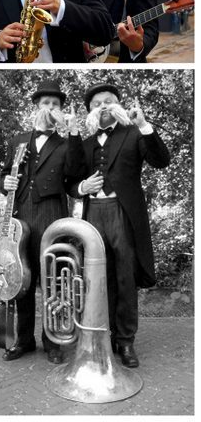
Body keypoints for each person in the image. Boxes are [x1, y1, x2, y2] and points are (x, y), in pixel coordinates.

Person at [69, 83, 170, 367]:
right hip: (94, 215)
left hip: (122, 214)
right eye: (97, 102)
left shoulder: (133, 133)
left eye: (109, 101)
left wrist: (143, 123)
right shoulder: (85, 143)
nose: (103, 105)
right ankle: (102, 336)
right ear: (90, 111)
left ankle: (125, 342)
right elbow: (71, 178)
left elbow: (162, 161)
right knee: (100, 280)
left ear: (118, 106)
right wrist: (82, 186)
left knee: (125, 278)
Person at [0, 80, 84, 364]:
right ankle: (23, 340)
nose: (50, 108)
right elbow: (0, 175)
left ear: (61, 110)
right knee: (21, 281)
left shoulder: (66, 143)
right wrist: (3, 182)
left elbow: (74, 173)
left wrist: (73, 134)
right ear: (36, 107)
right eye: (45, 103)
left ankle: (53, 341)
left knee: (53, 282)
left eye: (55, 104)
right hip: (20, 217)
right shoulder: (18, 140)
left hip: (51, 216)